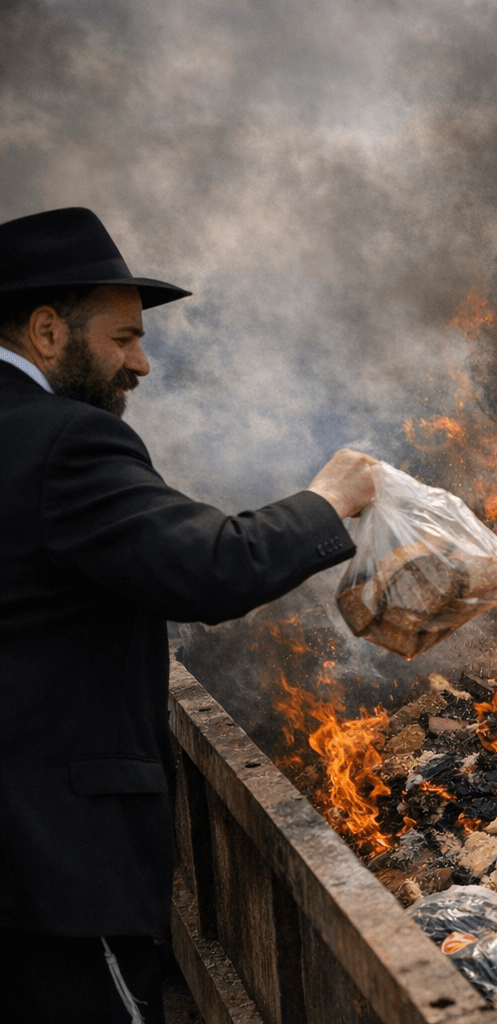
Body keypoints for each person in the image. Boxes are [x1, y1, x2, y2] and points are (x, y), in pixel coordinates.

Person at [0, 208, 377, 1023]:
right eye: (123, 338)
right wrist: (329, 501)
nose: (140, 362)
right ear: (46, 330)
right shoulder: (61, 440)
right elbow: (210, 567)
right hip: (51, 875)